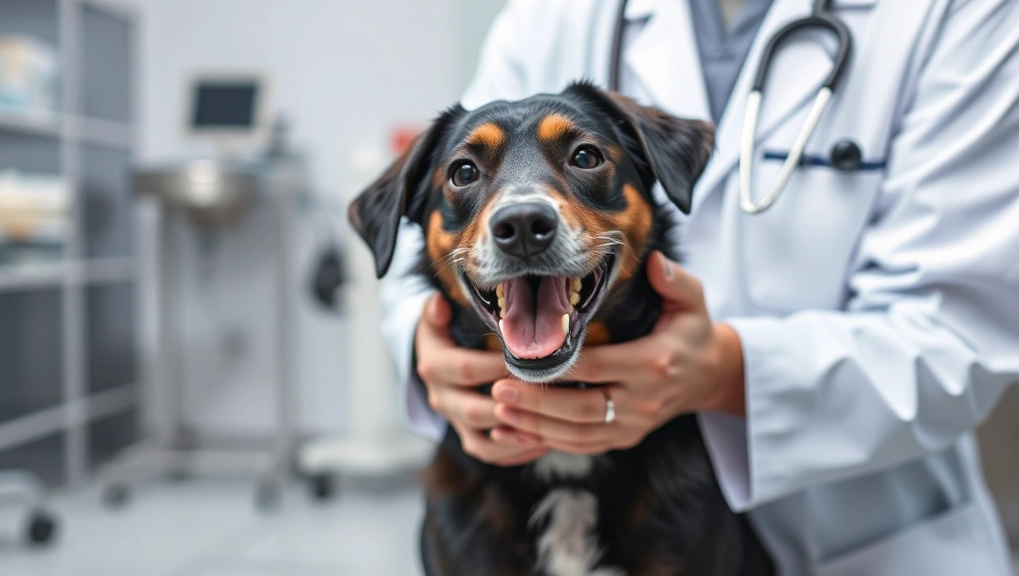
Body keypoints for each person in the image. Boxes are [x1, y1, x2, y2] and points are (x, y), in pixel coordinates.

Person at [379, 0, 1019, 574]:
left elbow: (960, 329)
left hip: (863, 535)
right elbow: (436, 239)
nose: (521, 211)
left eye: (583, 157)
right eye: (471, 171)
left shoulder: (961, 13)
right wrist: (426, 347)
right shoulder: (552, 15)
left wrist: (725, 371)